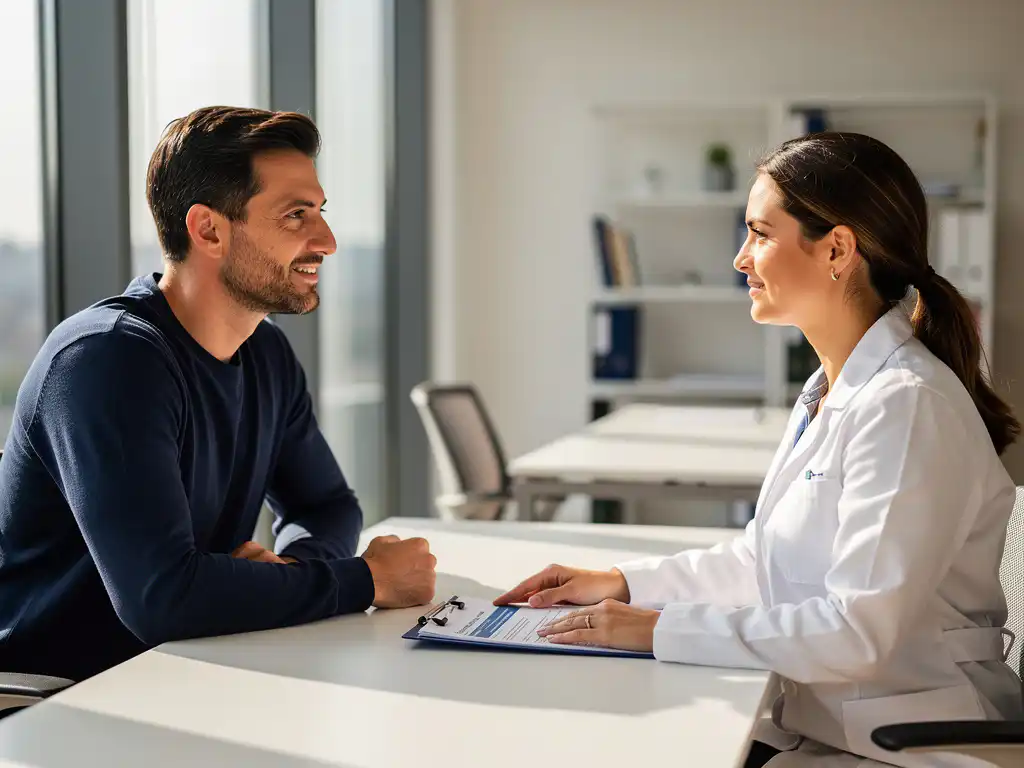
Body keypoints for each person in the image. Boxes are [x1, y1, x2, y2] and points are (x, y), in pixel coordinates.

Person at [496, 132, 1023, 767]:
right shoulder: (830, 387)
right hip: (832, 723)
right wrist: (624, 585)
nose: (740, 258)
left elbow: (858, 631)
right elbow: (766, 559)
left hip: (909, 744)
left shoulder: (907, 405)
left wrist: (660, 631)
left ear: (836, 249)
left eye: (759, 233)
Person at [0, 106, 436, 683]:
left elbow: (324, 505)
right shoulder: (108, 361)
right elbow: (162, 599)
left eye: (320, 212)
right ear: (208, 229)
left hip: (195, 669)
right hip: (62, 701)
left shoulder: (265, 353)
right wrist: (367, 580)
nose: (327, 241)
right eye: (295, 216)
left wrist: (292, 570)